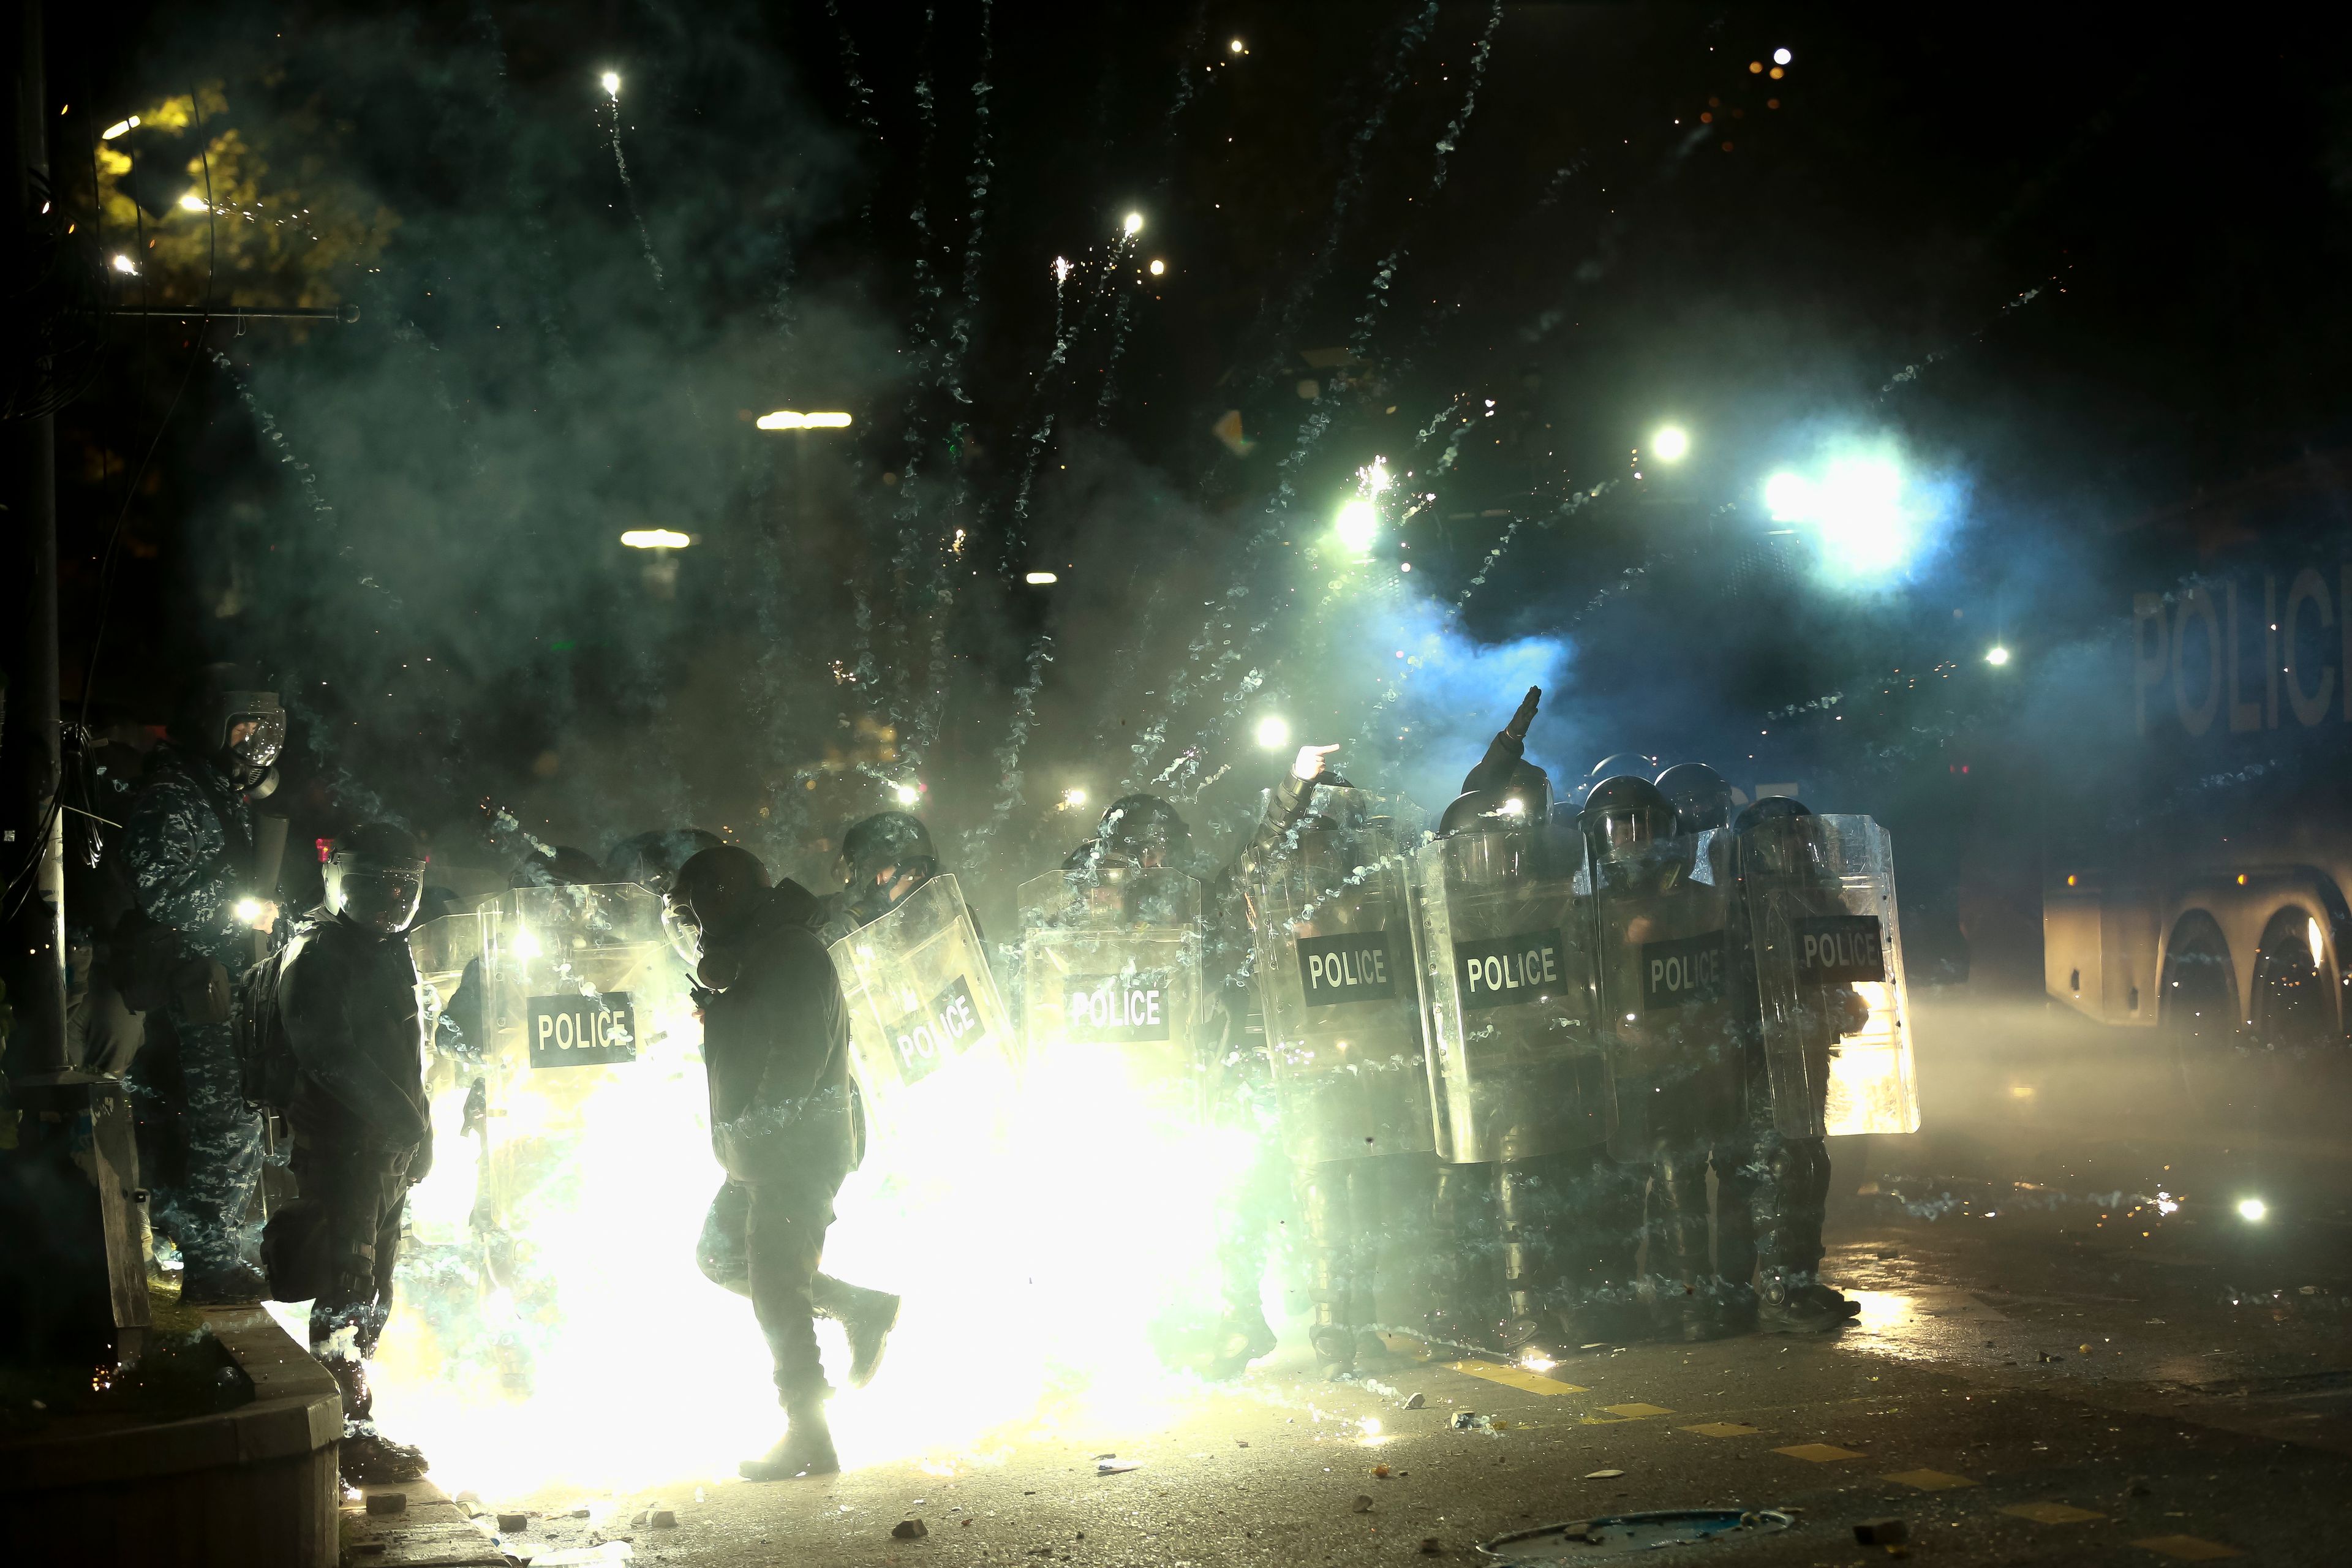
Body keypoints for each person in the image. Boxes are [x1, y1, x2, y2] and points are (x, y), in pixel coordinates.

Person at [666, 845, 899, 1480]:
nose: (691, 932)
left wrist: (753, 1141)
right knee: (720, 1254)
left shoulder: (789, 954)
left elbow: (793, 1069)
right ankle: (857, 1307)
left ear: (723, 898)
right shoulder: (756, 953)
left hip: (791, 1151)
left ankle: (810, 1436)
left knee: (774, 1289)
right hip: (761, 1150)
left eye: (692, 914)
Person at [260, 823, 434, 1483]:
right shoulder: (321, 950)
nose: (391, 900)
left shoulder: (387, 948)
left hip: (381, 1147)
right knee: (348, 1288)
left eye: (402, 887)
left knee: (372, 1290)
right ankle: (347, 1439)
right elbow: (328, 1054)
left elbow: (409, 1053)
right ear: (337, 882)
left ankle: (355, 1428)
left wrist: (421, 1128)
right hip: (342, 1147)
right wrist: (403, 1120)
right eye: (374, 886)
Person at [122, 674, 287, 1303]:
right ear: (212, 724)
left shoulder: (211, 789)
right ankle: (211, 1267)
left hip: (223, 982)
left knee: (234, 1121)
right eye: (248, 727)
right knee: (222, 1125)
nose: (259, 743)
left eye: (269, 729)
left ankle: (219, 1250)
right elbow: (159, 886)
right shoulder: (174, 792)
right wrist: (242, 913)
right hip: (197, 984)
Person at [1581, 773, 1743, 1341]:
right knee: (1619, 1197)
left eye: (1644, 824)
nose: (1632, 837)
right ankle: (1622, 1307)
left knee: (1682, 1187)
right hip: (1609, 1074)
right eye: (1619, 826)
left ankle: (1690, 1302)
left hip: (1678, 1068)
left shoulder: (1697, 902)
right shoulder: (1582, 911)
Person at [1728, 796, 1864, 1333]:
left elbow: (1842, 982)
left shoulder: (1817, 899)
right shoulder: (1738, 905)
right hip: (1764, 1057)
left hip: (1808, 1054)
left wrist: (1846, 1004)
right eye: (1776, 838)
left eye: (1795, 836)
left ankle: (1802, 1281)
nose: (1789, 847)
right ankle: (1781, 1293)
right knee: (1780, 1167)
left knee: (1812, 1165)